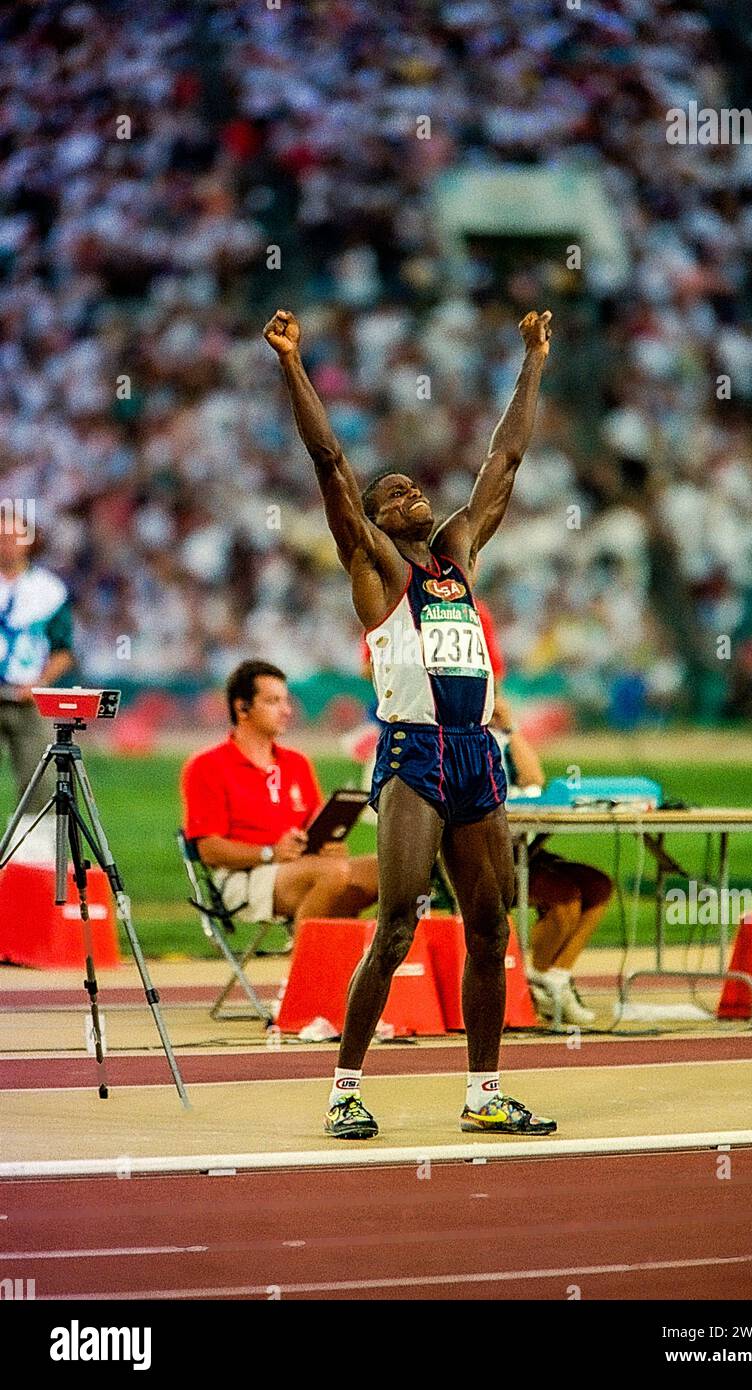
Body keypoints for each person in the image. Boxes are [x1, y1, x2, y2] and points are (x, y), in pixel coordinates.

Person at [264, 304, 557, 1139]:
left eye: (412, 485)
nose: (408, 492)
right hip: (414, 753)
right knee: (396, 925)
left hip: (476, 753)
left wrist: (532, 356)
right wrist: (292, 361)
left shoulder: (459, 553)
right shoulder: (376, 569)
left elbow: (506, 457)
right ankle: (346, 1089)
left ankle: (484, 1093)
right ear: (375, 522)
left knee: (492, 921)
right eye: (390, 494)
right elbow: (329, 460)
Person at [180, 660, 378, 931]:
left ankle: (355, 961)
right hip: (243, 877)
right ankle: (305, 969)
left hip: (304, 867)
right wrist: (269, 853)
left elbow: (315, 827)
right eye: (273, 701)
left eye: (286, 701)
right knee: (333, 872)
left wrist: (329, 845)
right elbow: (210, 851)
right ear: (242, 707)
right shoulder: (207, 765)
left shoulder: (297, 762)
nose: (286, 711)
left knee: (390, 873)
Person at [488, 693, 613, 1025]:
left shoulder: (502, 737)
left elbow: (534, 779)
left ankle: (552, 977)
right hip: (485, 856)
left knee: (597, 885)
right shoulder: (462, 738)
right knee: (565, 896)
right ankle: (536, 982)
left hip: (522, 847)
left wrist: (511, 727)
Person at [0, 528, 74, 815]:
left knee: (40, 784)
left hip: (27, 697)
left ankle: (33, 855)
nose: (6, 544)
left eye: (13, 537)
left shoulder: (48, 590)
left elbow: (63, 649)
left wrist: (40, 683)